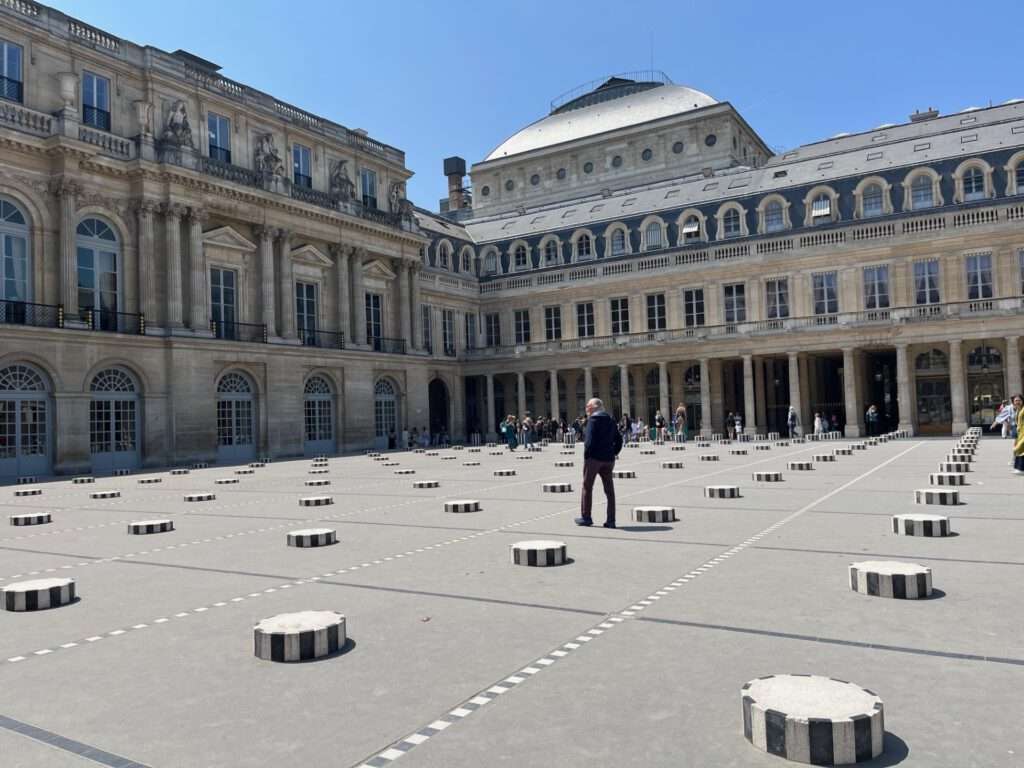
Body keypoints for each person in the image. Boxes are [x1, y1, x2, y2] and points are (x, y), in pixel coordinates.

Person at [576, 398, 622, 528]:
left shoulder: (593, 420)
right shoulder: (611, 420)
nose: (586, 409)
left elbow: (589, 442)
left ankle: (586, 517)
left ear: (594, 407)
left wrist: (587, 456)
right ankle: (611, 520)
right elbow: (619, 440)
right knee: (609, 491)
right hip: (608, 460)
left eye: (588, 407)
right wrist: (614, 453)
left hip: (594, 459)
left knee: (587, 487)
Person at [1013, 394, 1024, 474]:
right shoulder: (1017, 410)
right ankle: (1018, 468)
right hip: (1020, 433)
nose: (1017, 402)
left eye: (1019, 400)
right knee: (1019, 449)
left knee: (1020, 449)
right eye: (1016, 401)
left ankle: (1021, 469)